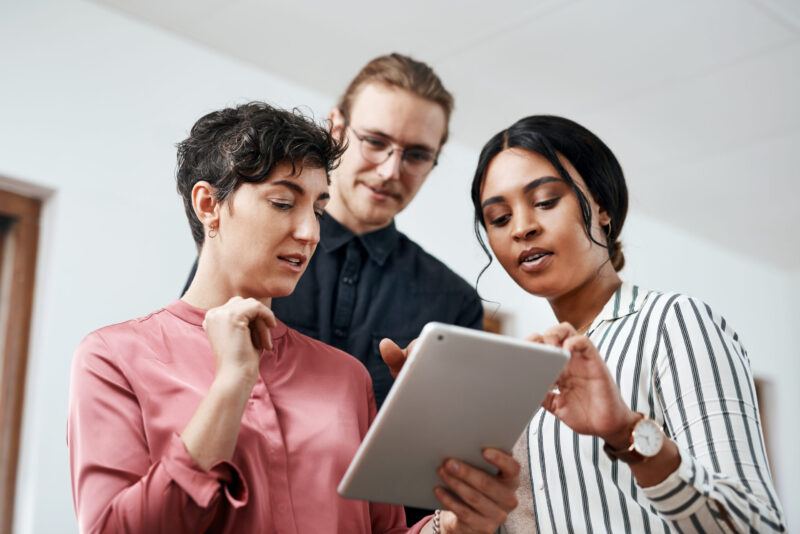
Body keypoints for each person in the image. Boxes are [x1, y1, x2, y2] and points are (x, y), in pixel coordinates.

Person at [67, 102, 520, 534]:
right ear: (208, 205)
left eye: (319, 209)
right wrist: (231, 385)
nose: (310, 233)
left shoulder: (347, 377)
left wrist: (453, 525)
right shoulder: (113, 358)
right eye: (284, 203)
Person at [468, 115, 786, 532]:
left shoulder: (673, 323)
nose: (523, 228)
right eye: (499, 218)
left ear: (601, 206)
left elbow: (757, 525)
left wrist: (627, 433)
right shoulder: (518, 377)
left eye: (545, 201)